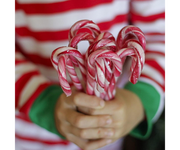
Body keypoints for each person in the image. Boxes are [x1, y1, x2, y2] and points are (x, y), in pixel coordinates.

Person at [12, 0, 168, 150]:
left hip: (109, 133)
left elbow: (161, 36)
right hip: (28, 136)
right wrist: (44, 102)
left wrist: (138, 100)